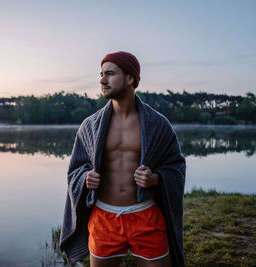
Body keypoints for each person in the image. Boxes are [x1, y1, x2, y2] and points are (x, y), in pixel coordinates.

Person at [59, 51, 186, 267]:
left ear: (130, 79)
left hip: (145, 215)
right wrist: (84, 179)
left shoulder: (158, 124)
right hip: (103, 218)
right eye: (101, 74)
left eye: (109, 73)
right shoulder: (90, 125)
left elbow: (177, 167)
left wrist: (155, 178)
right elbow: (75, 170)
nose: (102, 80)